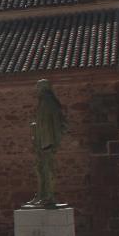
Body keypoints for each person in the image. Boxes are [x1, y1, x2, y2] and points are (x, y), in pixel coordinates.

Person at [28, 79, 67, 207]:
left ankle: (49, 196)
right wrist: (35, 127)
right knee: (40, 169)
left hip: (47, 142)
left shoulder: (49, 102)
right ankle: (41, 195)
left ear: (44, 88)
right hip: (41, 141)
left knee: (47, 169)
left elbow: (56, 123)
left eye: (38, 87)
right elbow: (43, 123)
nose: (37, 90)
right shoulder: (43, 102)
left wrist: (55, 141)